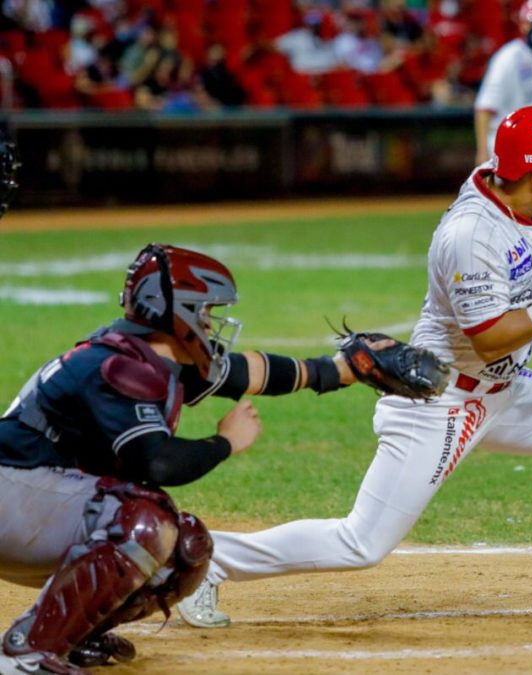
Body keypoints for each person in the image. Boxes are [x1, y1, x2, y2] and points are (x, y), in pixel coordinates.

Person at [179, 105, 532, 641]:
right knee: (361, 544)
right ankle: (208, 558)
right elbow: (490, 338)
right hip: (438, 398)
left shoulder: (515, 180)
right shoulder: (471, 234)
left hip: (501, 389)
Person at [0, 240, 430, 674]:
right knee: (144, 520)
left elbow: (252, 372)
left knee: (186, 550)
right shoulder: (120, 367)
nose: (211, 322)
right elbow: (158, 463)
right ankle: (27, 652)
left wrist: (340, 369)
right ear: (176, 311)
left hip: (37, 498)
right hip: (13, 493)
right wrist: (224, 442)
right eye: (204, 311)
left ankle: (68, 635)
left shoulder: (154, 354)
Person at [474, 0, 532, 165]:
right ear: (523, 25)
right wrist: (482, 151)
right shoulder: (507, 57)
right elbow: (484, 107)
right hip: (508, 145)